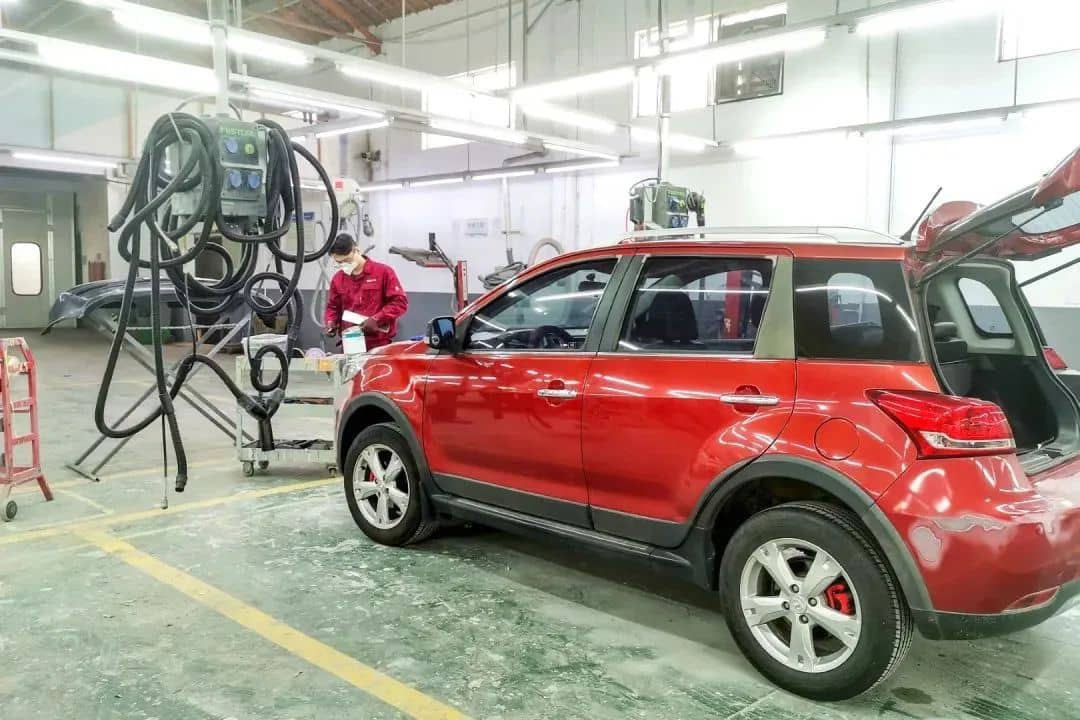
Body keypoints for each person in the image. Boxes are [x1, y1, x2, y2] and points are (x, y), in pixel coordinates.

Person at [323, 233, 408, 351]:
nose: (344, 265)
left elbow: (399, 303)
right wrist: (331, 321)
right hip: (349, 343)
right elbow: (333, 306)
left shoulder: (383, 272)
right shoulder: (338, 279)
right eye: (339, 262)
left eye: (347, 260)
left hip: (378, 344)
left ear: (356, 250)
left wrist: (377, 319)